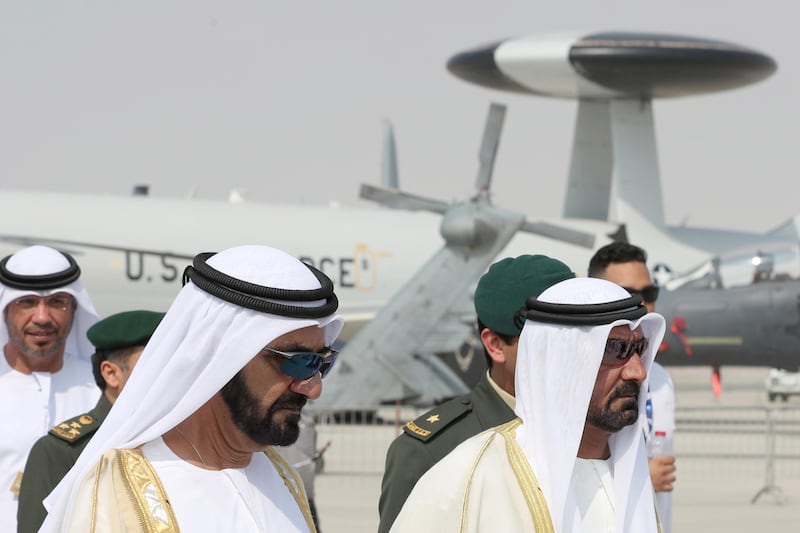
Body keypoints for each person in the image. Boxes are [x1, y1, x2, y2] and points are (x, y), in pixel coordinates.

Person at [39, 245, 343, 532]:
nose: (313, 389)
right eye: (297, 361)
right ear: (221, 355)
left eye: (320, 364)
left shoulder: (284, 477)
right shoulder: (116, 490)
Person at [390, 277, 666, 532]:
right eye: (614, 349)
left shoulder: (633, 476)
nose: (637, 372)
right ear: (557, 361)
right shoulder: (470, 476)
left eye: (639, 349)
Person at [378, 255, 576, 532]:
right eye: (550, 341)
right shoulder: (430, 450)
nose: (574, 353)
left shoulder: (596, 433)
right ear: (495, 345)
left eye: (580, 338)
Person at [17, 309, 165, 533]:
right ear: (111, 374)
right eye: (154, 362)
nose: (167, 372)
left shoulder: (182, 439)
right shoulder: (61, 451)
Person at [0, 245, 100, 531]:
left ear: (75, 309)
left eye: (58, 302)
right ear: (5, 309)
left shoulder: (101, 387)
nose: (42, 317)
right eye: (27, 302)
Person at [588, 241, 677, 533]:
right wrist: (639, 476)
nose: (643, 304)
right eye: (628, 293)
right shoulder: (584, 379)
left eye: (649, 293)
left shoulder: (661, 380)